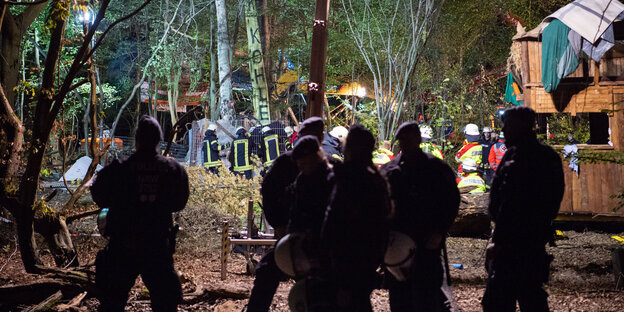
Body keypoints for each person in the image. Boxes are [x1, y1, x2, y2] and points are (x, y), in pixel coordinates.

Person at [92, 115, 189, 312]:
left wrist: (121, 203)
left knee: (112, 301)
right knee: (165, 303)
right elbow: (180, 202)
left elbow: (97, 192)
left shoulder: (120, 168)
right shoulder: (172, 169)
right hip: (157, 245)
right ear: (158, 140)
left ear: (137, 139)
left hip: (124, 244)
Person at [482, 106, 564, 312]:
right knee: (531, 296)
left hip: (515, 245)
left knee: (500, 301)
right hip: (534, 240)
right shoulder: (545, 156)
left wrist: (498, 242)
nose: (504, 131)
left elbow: (513, 205)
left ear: (521, 127)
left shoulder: (520, 160)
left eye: (507, 126)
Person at [246, 117, 326, 312]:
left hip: (322, 243)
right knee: (267, 270)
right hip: (292, 237)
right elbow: (269, 191)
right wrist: (279, 225)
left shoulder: (330, 171)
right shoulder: (286, 163)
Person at [381, 121, 460, 311]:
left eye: (409, 139)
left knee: (427, 298)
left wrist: (440, 231)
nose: (406, 144)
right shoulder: (389, 170)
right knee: (400, 299)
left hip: (426, 242)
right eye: (403, 140)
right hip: (397, 245)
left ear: (418, 139)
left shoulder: (436, 169)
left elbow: (451, 202)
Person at [322, 124, 390, 311]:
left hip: (343, 263)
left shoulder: (344, 179)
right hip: (368, 262)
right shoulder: (377, 180)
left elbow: (337, 225)